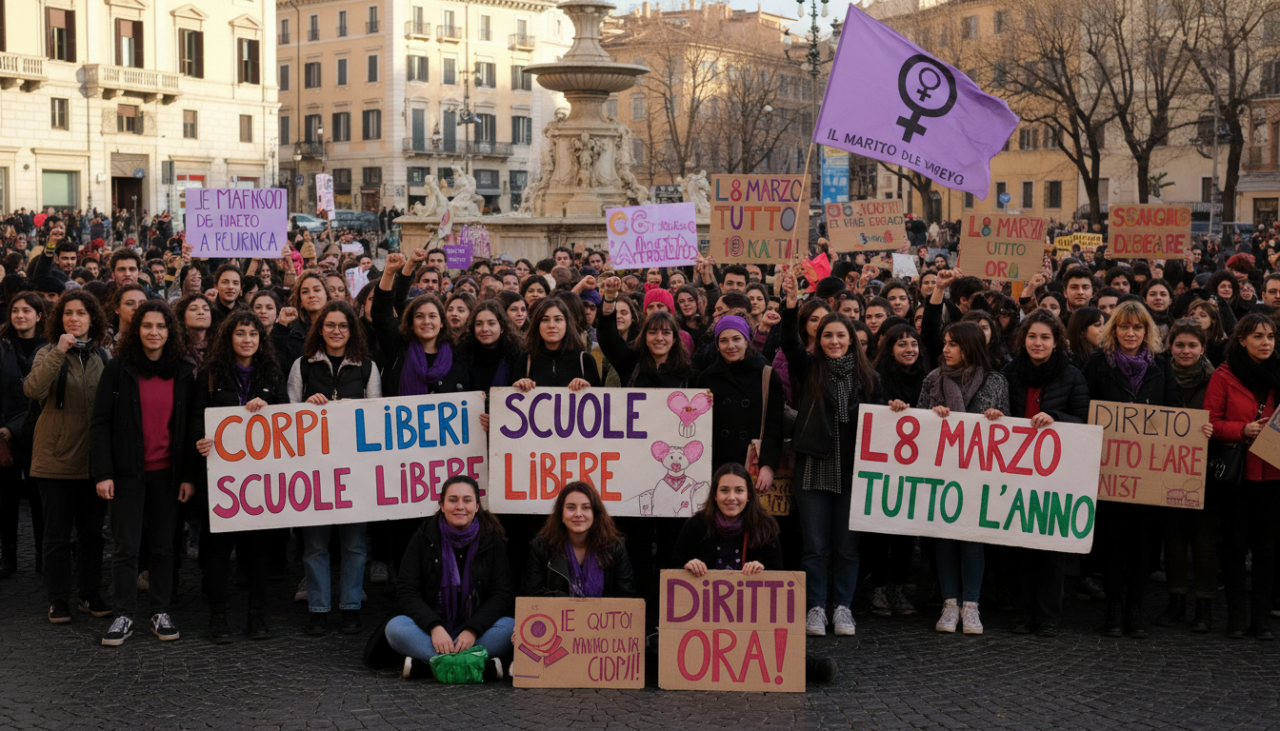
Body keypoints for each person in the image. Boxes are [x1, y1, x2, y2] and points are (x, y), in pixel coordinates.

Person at [780, 268, 880, 637]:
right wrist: (791, 305)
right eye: (828, 335)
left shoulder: (870, 378)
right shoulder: (808, 370)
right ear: (819, 339)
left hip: (854, 471)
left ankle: (843, 608)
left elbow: (880, 421)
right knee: (815, 546)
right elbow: (789, 343)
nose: (834, 341)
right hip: (814, 470)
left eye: (841, 335)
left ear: (852, 339)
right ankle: (816, 608)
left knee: (847, 548)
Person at [1083, 301, 1191, 639]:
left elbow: (1175, 410)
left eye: (1138, 327)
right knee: (1113, 545)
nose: (1131, 333)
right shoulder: (1097, 365)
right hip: (1110, 472)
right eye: (1125, 327)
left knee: (1143, 546)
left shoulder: (1161, 366)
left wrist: (1193, 430)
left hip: (1147, 477)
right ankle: (1114, 610)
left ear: (1147, 332)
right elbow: (1084, 407)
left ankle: (1136, 609)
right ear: (1114, 330)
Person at [92, 301, 195, 646]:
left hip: (168, 474)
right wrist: (103, 472)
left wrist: (187, 476)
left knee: (164, 548)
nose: (154, 332)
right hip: (125, 474)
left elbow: (188, 425)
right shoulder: (119, 368)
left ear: (171, 331)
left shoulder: (182, 371)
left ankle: (160, 610)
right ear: (137, 329)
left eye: (161, 326)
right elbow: (101, 422)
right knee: (126, 547)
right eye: (147, 325)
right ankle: (123, 613)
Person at [287, 300, 382, 635]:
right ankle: (319, 607)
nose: (337, 331)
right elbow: (287, 417)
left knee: (355, 544)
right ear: (320, 328)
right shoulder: (302, 366)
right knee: (315, 545)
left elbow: (377, 416)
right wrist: (305, 408)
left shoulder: (368, 368)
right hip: (314, 471)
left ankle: (351, 606)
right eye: (330, 325)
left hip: (354, 471)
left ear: (352, 330)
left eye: (343, 325)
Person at [193, 311, 286, 643]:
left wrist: (271, 411)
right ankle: (218, 616)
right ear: (228, 338)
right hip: (221, 478)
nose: (247, 339)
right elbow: (196, 418)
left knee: (259, 550)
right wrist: (200, 441)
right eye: (240, 333)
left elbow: (288, 424)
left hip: (260, 479)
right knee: (218, 549)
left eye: (253, 334)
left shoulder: (273, 375)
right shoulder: (210, 374)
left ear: (261, 340)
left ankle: (256, 614)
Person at [995, 309, 1090, 637]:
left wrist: (1057, 418)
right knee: (1017, 548)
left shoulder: (1072, 375)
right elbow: (999, 414)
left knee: (1050, 550)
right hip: (1014, 473)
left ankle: (1048, 616)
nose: (1038, 343)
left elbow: (1084, 420)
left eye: (1045, 337)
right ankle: (1023, 613)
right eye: (1033, 336)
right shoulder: (1008, 373)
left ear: (1056, 341)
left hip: (1056, 475)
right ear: (1024, 339)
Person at [912, 321, 1008, 635]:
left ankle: (971, 605)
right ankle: (949, 603)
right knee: (944, 540)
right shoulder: (932, 379)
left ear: (969, 346)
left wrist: (997, 418)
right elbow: (916, 424)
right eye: (945, 343)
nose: (946, 349)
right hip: (941, 473)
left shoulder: (995, 382)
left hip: (978, 476)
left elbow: (1008, 431)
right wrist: (931, 416)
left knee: (972, 542)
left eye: (953, 344)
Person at [25, 291, 112, 623]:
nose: (74, 318)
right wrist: (59, 352)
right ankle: (57, 598)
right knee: (57, 535)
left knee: (92, 534)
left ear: (93, 319)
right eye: (68, 313)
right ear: (59, 319)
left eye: (81, 313)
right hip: (55, 460)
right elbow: (32, 390)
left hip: (93, 461)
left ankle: (89, 594)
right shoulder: (47, 352)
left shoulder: (102, 356)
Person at [385, 476, 513, 681]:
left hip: (476, 633)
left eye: (467, 500)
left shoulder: (492, 541)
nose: (460, 506)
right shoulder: (423, 537)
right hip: (431, 633)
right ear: (442, 505)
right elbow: (407, 592)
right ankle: (479, 666)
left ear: (477, 506)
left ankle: (430, 665)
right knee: (395, 628)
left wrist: (472, 629)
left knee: (511, 628)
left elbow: (501, 595)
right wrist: (434, 627)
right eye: (453, 500)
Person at [1205, 313, 1279, 639]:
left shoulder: (1279, 373)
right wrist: (1241, 430)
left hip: (1274, 475)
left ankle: (1260, 620)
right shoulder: (1223, 376)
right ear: (1242, 340)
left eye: (1270, 337)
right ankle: (1235, 619)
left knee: (1266, 549)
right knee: (1235, 547)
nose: (1266, 343)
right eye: (1258, 337)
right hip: (1237, 476)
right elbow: (1209, 423)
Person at [1159, 320, 1217, 633]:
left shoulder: (1216, 380)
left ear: (1203, 349)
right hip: (1166, 468)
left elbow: (1223, 417)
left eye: (1192, 345)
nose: (1185, 351)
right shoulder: (1161, 375)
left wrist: (1213, 429)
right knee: (1175, 540)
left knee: (1204, 542)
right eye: (1179, 345)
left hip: (1204, 471)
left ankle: (1204, 606)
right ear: (1170, 347)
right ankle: (1176, 601)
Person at [867, 323, 929, 617]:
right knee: (880, 530)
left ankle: (900, 588)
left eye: (913, 344)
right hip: (883, 465)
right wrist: (884, 407)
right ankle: (879, 587)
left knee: (906, 530)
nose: (909, 350)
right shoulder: (876, 379)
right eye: (902, 344)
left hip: (917, 466)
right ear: (889, 348)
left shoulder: (928, 378)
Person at [693, 315, 783, 489]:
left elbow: (774, 427)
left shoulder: (767, 375)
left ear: (747, 340)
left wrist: (768, 466)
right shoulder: (706, 378)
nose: (731, 346)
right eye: (724, 340)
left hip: (751, 464)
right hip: (715, 464)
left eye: (736, 339)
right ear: (717, 345)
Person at [372, 253, 470, 398]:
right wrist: (389, 273)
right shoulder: (398, 349)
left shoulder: (457, 356)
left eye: (432, 316)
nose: (426, 321)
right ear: (411, 324)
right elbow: (381, 312)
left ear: (442, 323)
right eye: (419, 316)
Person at [0, 292, 48, 577]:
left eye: (26, 311)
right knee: (5, 500)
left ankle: (45, 554)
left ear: (38, 315)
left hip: (39, 433)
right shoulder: (3, 346)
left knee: (40, 498)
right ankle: (9, 554)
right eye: (15, 310)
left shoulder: (51, 347)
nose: (20, 315)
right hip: (5, 434)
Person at [522, 481, 636, 598]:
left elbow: (627, 597)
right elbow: (531, 597)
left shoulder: (614, 547)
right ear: (561, 514)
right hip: (556, 615)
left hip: (602, 616)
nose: (578, 514)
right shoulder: (541, 547)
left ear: (595, 514)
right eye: (571, 507)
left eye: (586, 507)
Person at [273, 271, 329, 367]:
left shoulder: (340, 327)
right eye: (305, 292)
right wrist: (281, 327)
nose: (311, 295)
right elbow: (279, 363)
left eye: (317, 290)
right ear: (300, 302)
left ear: (326, 295)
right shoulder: (294, 335)